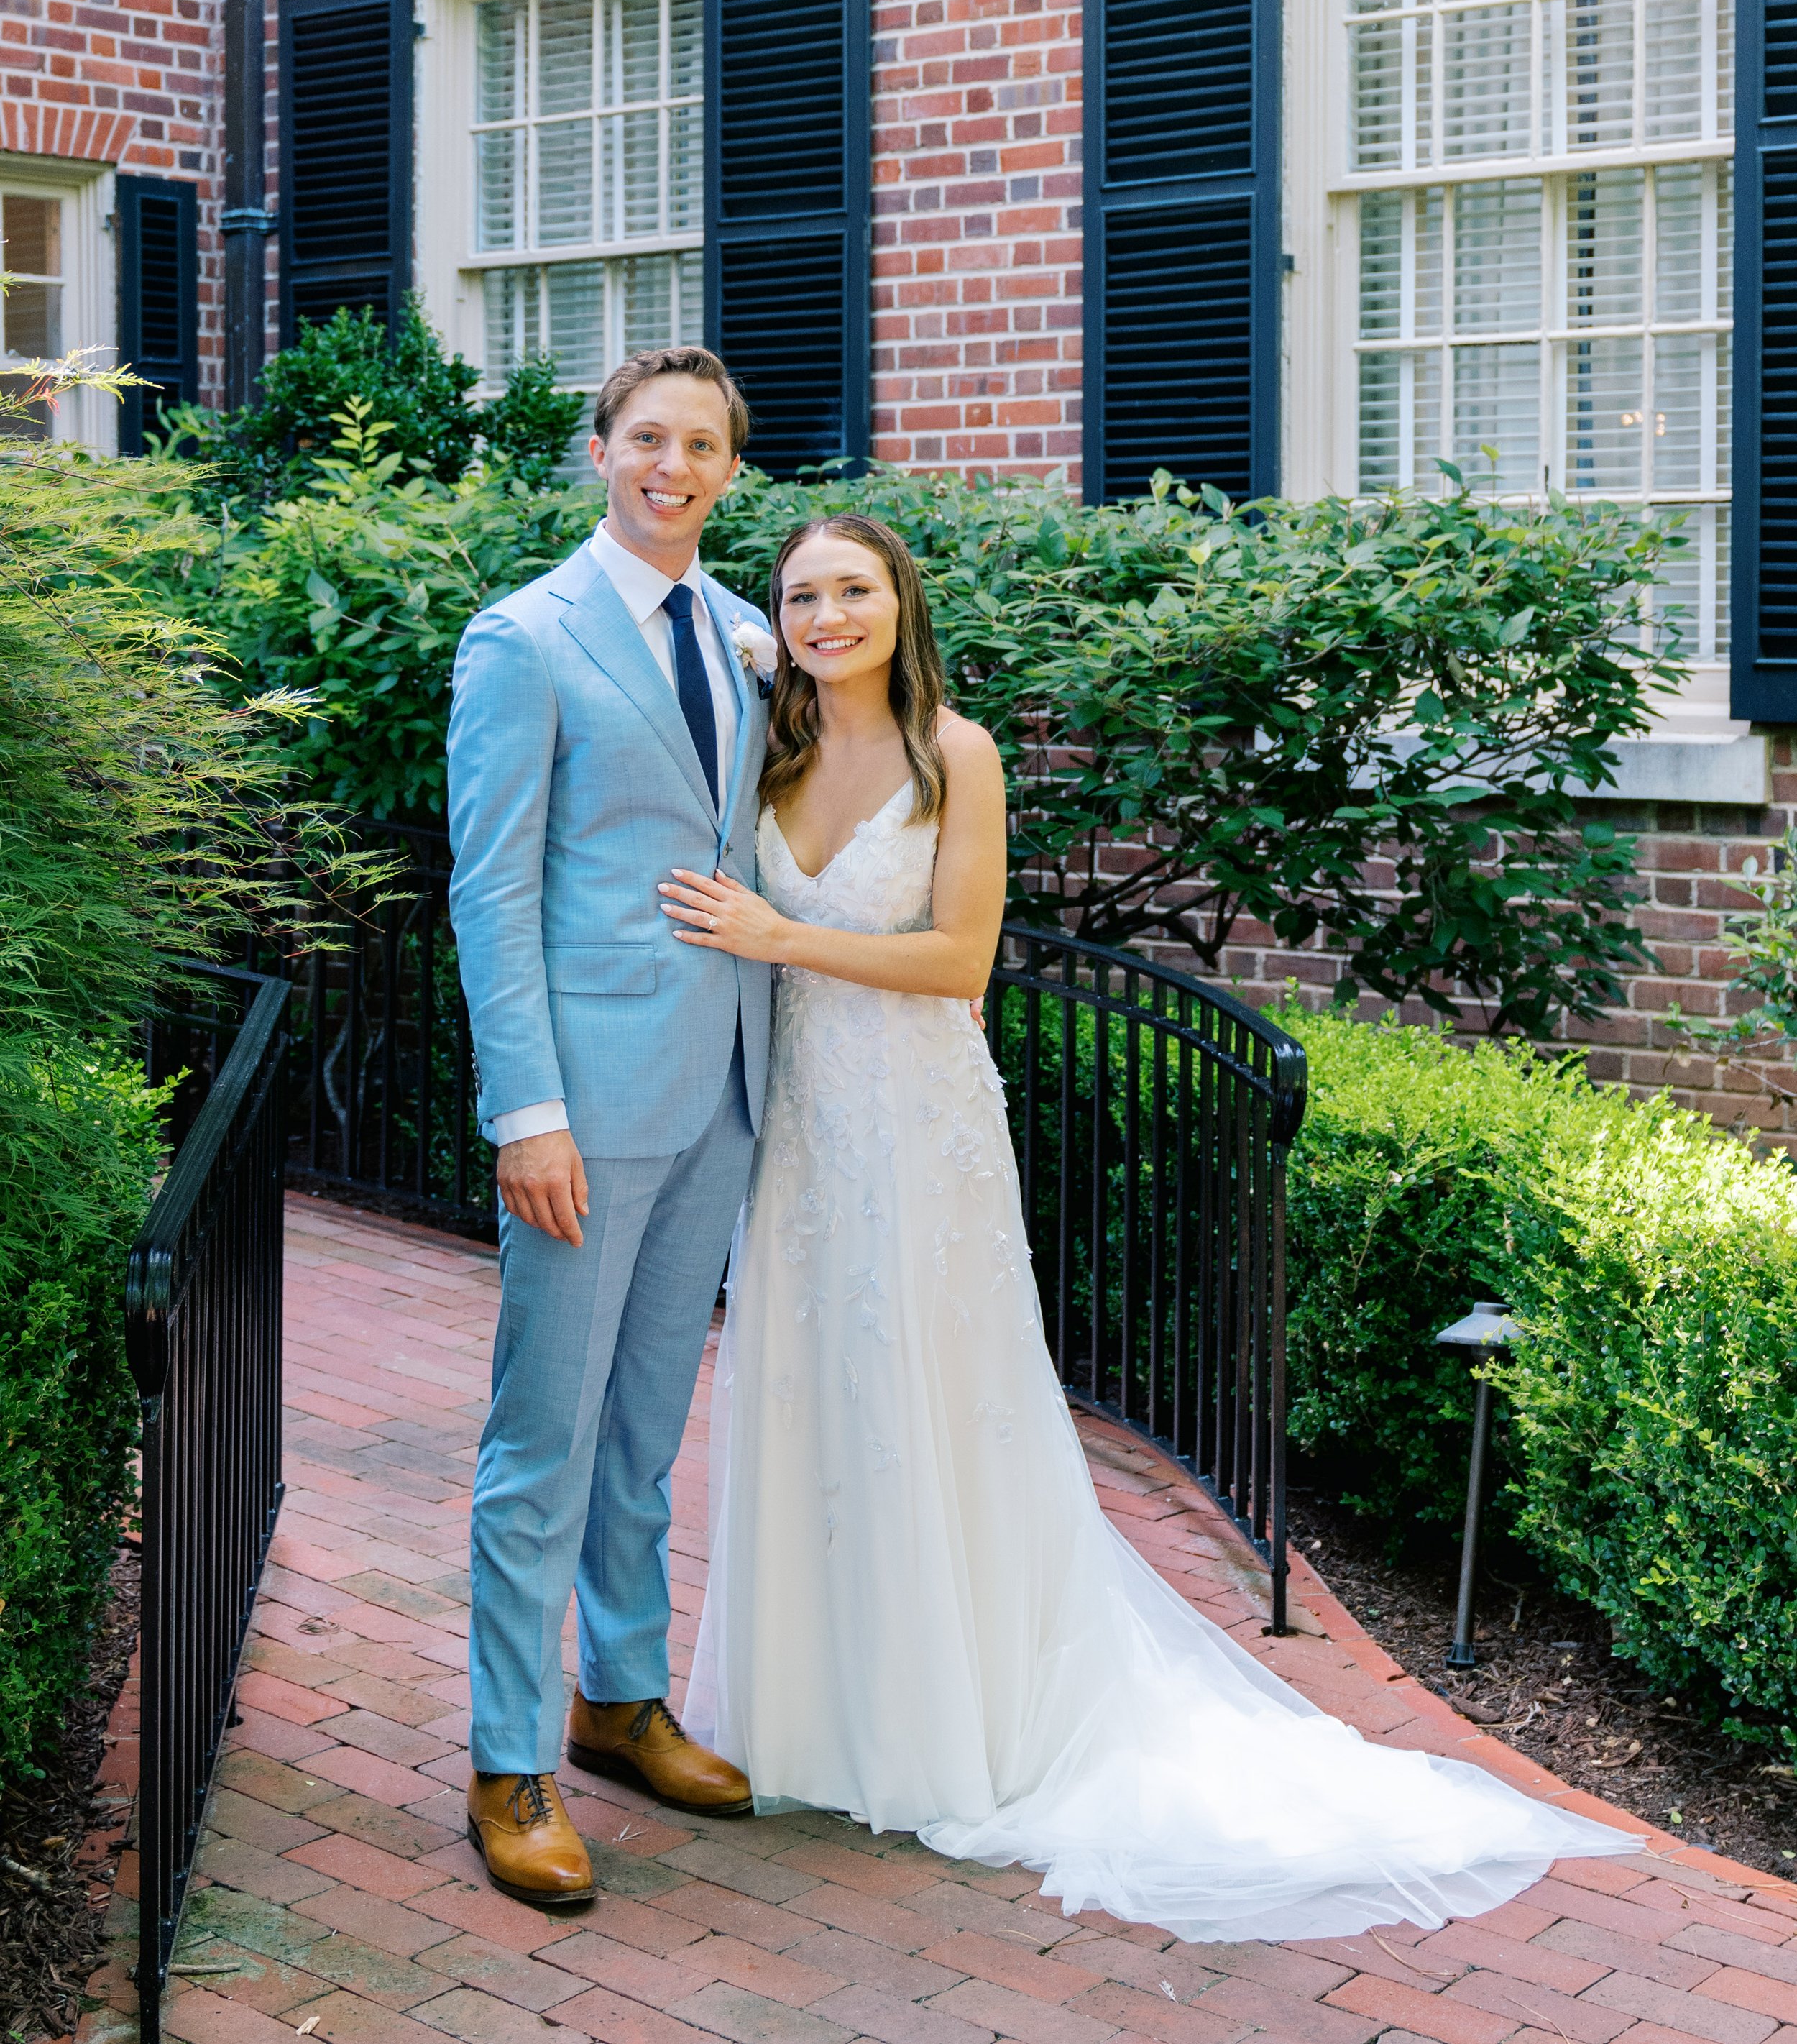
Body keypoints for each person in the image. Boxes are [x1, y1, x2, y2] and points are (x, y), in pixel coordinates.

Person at [663, 513, 1640, 1944]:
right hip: (795, 1133)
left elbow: (957, 961)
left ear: (898, 602)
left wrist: (776, 935)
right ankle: (816, 1725)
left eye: (852, 589)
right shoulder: (770, 750)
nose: (824, 615)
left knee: (932, 1407)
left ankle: (954, 1730)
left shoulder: (960, 754)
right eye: (802, 594)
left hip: (917, 1125)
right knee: (809, 1401)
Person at [446, 347, 778, 1908]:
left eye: (701, 444)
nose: (674, 463)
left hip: (721, 1090)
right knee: (543, 1443)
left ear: (728, 470)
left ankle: (618, 1698)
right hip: (582, 1104)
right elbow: (490, 889)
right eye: (648, 436)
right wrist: (528, 1112)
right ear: (599, 450)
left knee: (647, 1431)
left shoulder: (748, 632)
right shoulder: (524, 638)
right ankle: (506, 1761)